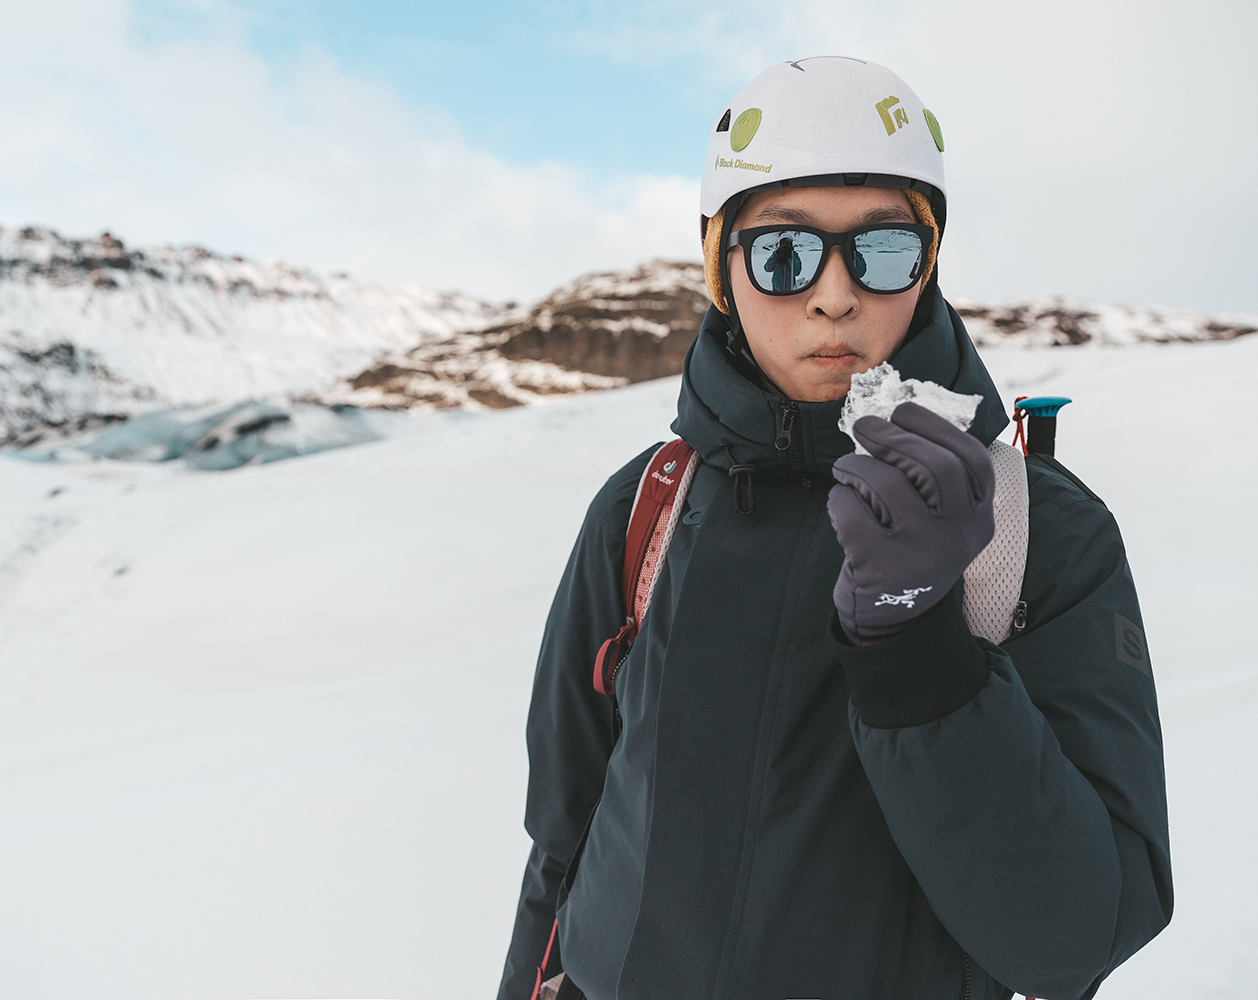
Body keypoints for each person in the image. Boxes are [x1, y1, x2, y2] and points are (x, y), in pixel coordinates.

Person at [497, 57, 1170, 1000]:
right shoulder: (644, 507)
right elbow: (560, 848)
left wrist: (915, 648)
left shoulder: (1034, 533)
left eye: (885, 249)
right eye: (784, 253)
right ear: (721, 269)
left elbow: (1072, 941)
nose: (834, 295)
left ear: (928, 264)